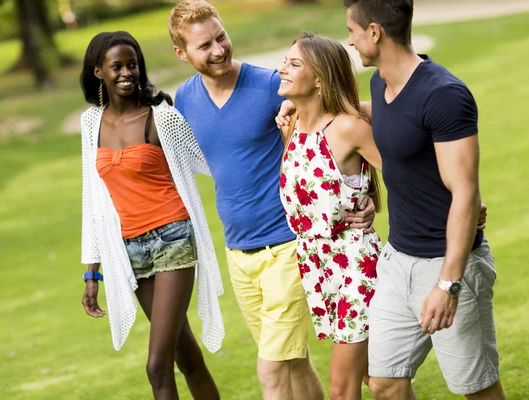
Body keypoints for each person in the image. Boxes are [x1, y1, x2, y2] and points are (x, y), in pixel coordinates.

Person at [167, 1, 375, 399]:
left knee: (271, 369)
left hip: (286, 246)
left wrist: (362, 194)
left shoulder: (271, 85)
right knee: (294, 362)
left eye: (221, 37)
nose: (218, 50)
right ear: (181, 53)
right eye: (204, 45)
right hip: (239, 253)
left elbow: (342, 118)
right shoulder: (186, 100)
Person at [342, 0, 506, 399]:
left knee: (476, 389)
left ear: (375, 32)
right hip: (398, 262)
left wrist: (448, 283)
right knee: (384, 384)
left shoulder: (444, 95)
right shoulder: (380, 83)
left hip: (447, 264)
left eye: (352, 31)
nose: (350, 41)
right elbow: (390, 121)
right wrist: (309, 106)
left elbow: (466, 192)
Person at [79, 31, 222, 400]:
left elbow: (211, 160)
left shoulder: (163, 118)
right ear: (99, 72)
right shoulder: (90, 124)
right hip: (130, 252)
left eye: (133, 64)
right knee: (185, 356)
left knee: (156, 366)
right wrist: (91, 271)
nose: (127, 73)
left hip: (172, 238)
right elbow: (92, 201)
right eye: (117, 66)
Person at [278, 32, 384, 399]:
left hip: (355, 264)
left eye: (294, 64)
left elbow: (401, 176)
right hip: (318, 266)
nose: (282, 70)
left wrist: (373, 201)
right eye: (285, 61)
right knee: (380, 382)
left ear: (319, 77)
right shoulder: (291, 127)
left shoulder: (347, 127)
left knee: (342, 388)